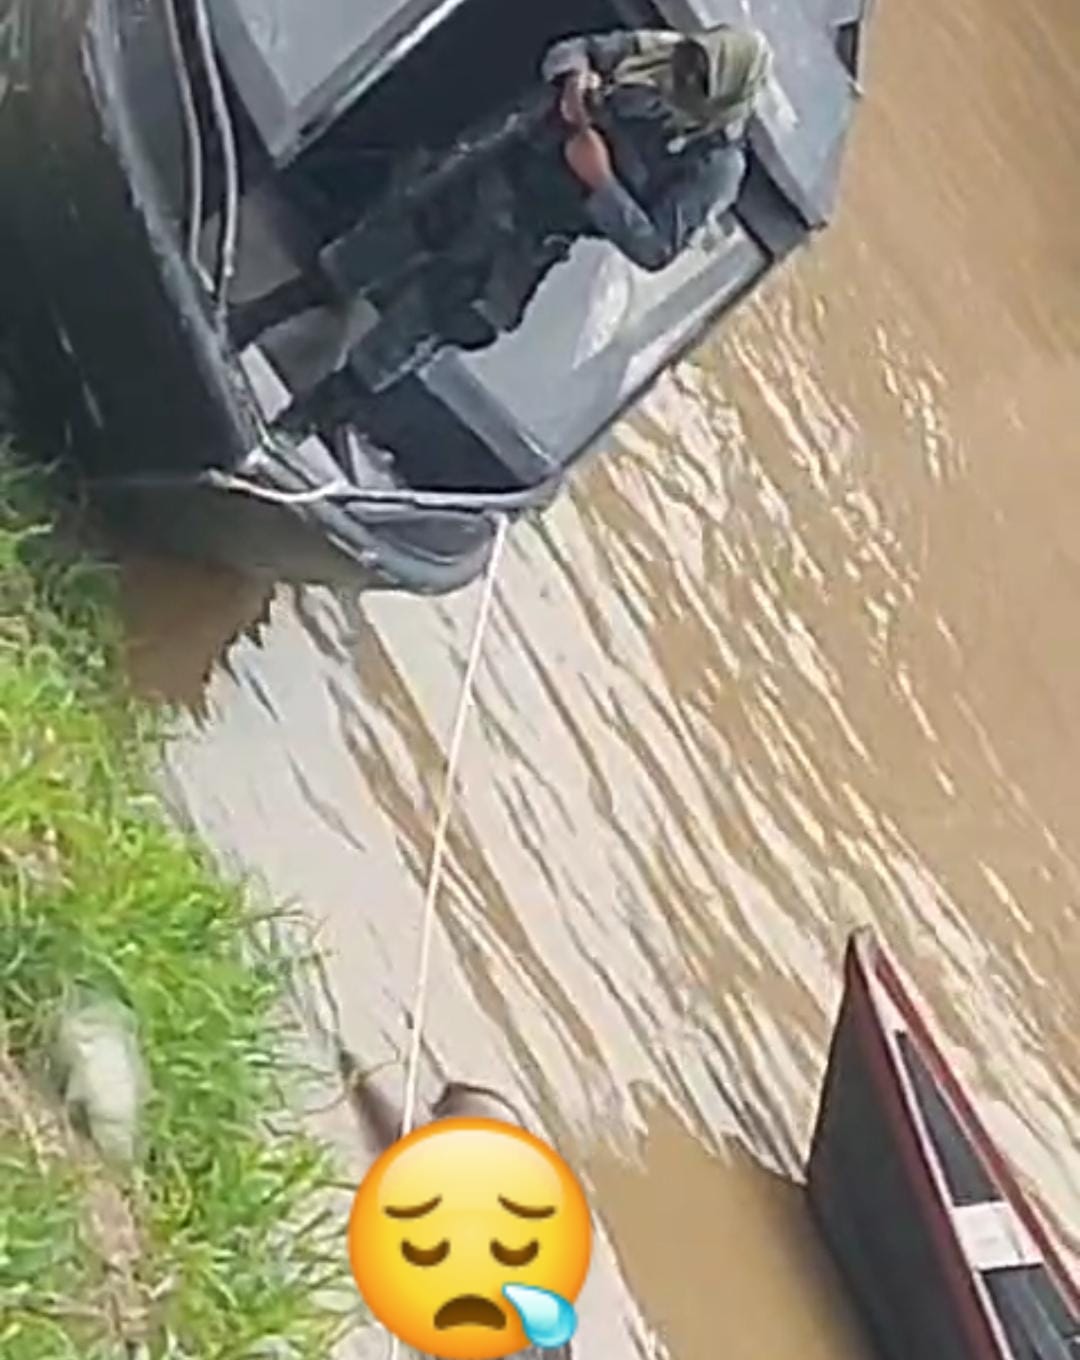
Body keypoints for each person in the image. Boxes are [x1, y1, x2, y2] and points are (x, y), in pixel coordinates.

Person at [229, 24, 773, 439]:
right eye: (688, 64)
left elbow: (656, 247)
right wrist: (575, 80)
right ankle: (244, 324)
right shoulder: (659, 51)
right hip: (486, 177)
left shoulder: (715, 167)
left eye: (699, 81)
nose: (681, 80)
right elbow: (574, 49)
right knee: (355, 257)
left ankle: (294, 428)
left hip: (518, 243)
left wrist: (601, 181)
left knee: (402, 339)